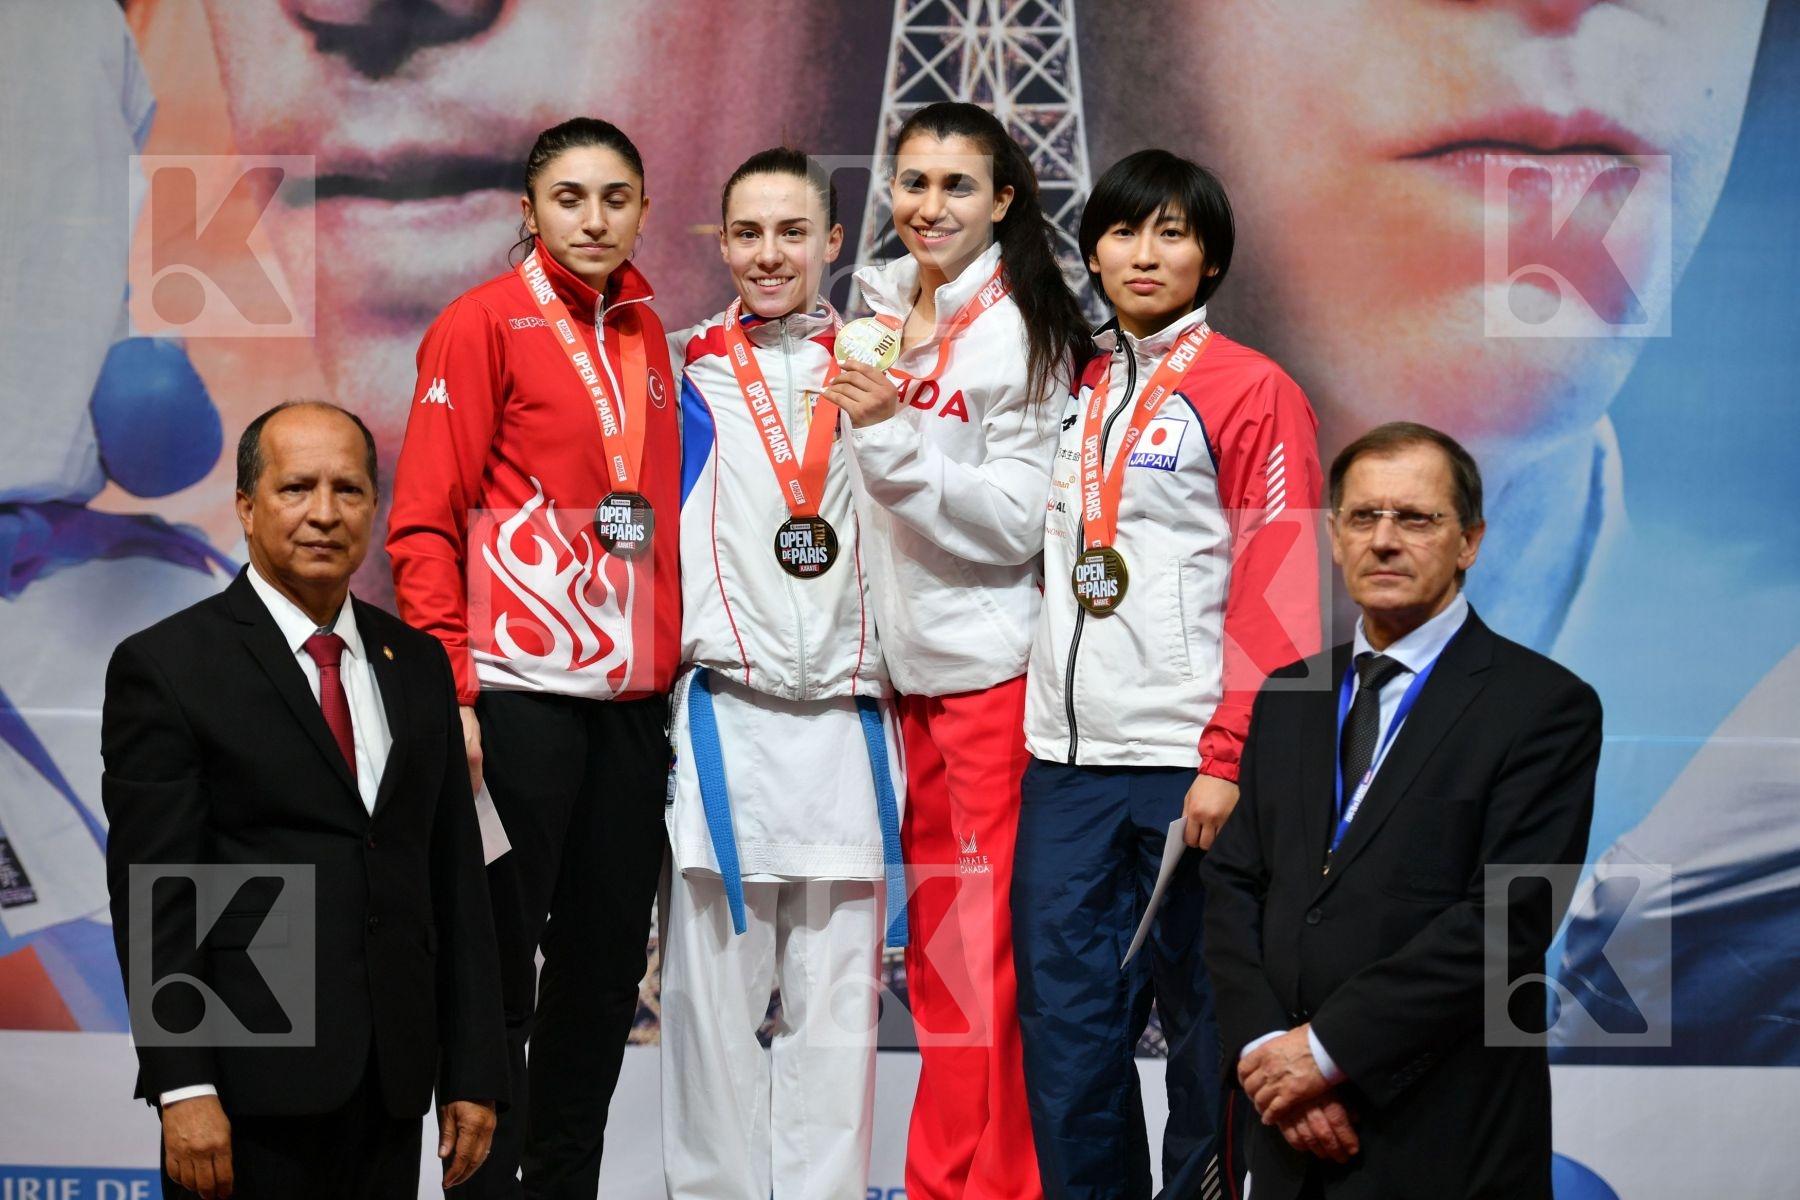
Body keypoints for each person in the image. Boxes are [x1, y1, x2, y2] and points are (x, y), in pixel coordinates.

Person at [100, 401, 507, 1200]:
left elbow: (455, 879)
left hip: (392, 1083)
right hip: (244, 1091)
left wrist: (474, 1068)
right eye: (296, 488)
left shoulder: (418, 664)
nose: (324, 513)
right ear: (247, 506)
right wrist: (183, 1085)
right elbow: (159, 893)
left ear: (374, 506)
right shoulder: (170, 666)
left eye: (348, 489)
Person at [1013, 150, 1322, 1199]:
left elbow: (1281, 591)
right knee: (1066, 1041)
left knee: (1207, 1038)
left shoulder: (1253, 389)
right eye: (1123, 231)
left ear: (1211, 258)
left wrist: (1230, 756)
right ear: (1092, 251)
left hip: (1191, 768)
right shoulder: (1073, 385)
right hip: (1065, 769)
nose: (1145, 254)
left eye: (1173, 233)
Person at [386, 117, 680, 1197]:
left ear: (643, 210)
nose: (593, 219)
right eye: (569, 198)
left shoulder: (650, 335)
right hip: (516, 702)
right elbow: (424, 522)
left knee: (603, 978)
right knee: (500, 969)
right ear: (529, 210)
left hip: (630, 709)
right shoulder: (480, 324)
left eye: (615, 198)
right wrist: (453, 693)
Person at [1202, 422, 1602, 1200]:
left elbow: (1508, 920)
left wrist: (1323, 1054)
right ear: (1334, 536)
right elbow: (1232, 888)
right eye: (1363, 517)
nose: (1384, 540)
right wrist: (1268, 1053)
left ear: (1470, 541)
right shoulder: (1288, 695)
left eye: (1415, 518)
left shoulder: (1544, 707)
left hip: (1442, 1136)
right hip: (1285, 1136)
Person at [826, 100, 1090, 1200]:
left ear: (1004, 200)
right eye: (914, 182)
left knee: (986, 961)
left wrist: (888, 434)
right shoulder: (879, 310)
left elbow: (1015, 523)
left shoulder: (1022, 332)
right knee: (942, 960)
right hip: (906, 684)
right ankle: (947, 1179)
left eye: (957, 186)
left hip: (990, 679)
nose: (930, 206)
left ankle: (996, 1185)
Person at [659, 147, 901, 1200]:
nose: (769, 254)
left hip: (849, 727)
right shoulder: (676, 370)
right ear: (721, 242)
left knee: (836, 1031)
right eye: (748, 233)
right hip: (727, 721)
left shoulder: (887, 370)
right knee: (709, 1027)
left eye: (793, 232)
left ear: (832, 241)